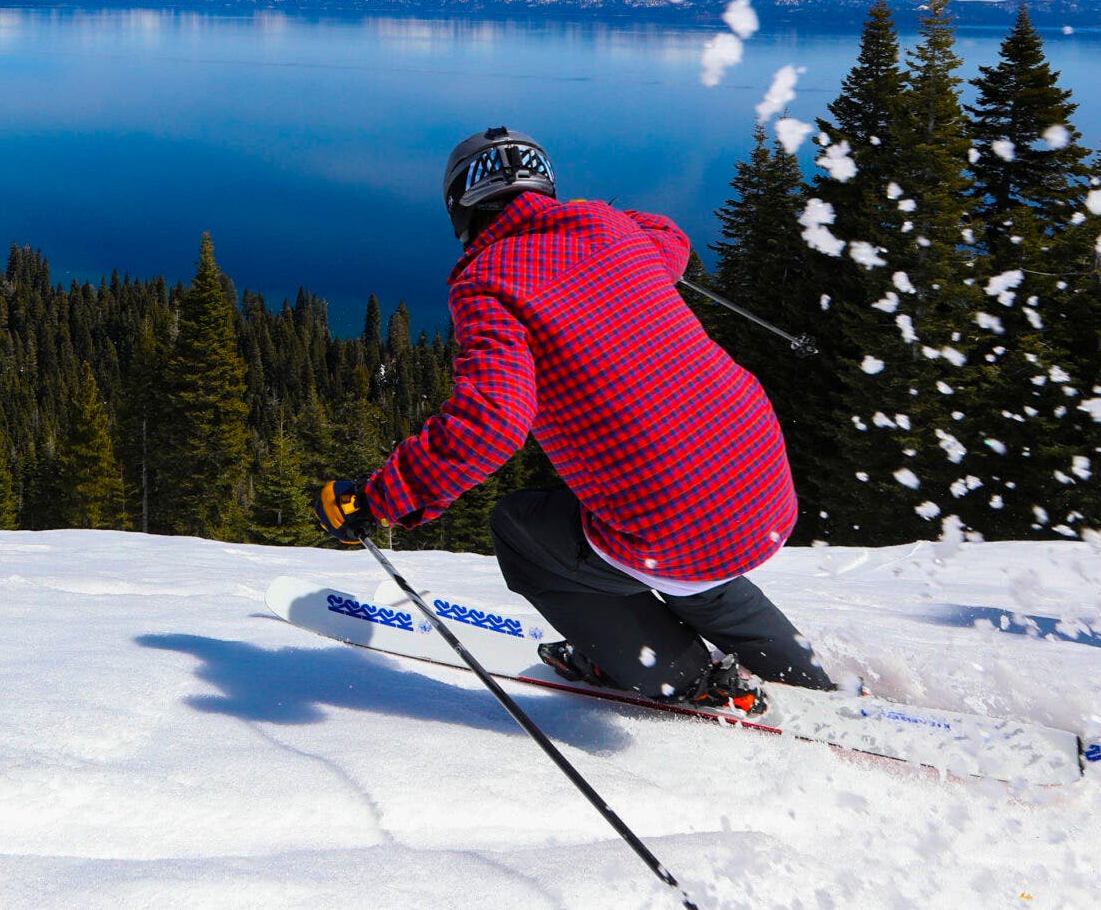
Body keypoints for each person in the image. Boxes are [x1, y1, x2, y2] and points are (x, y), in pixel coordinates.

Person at [312, 126, 833, 712]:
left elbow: (492, 422)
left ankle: (680, 675)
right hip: (763, 482)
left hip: (677, 514)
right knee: (694, 552)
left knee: (522, 527)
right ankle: (809, 680)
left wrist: (381, 497)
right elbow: (671, 235)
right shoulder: (615, 230)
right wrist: (576, 216)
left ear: (459, 208)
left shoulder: (489, 282)